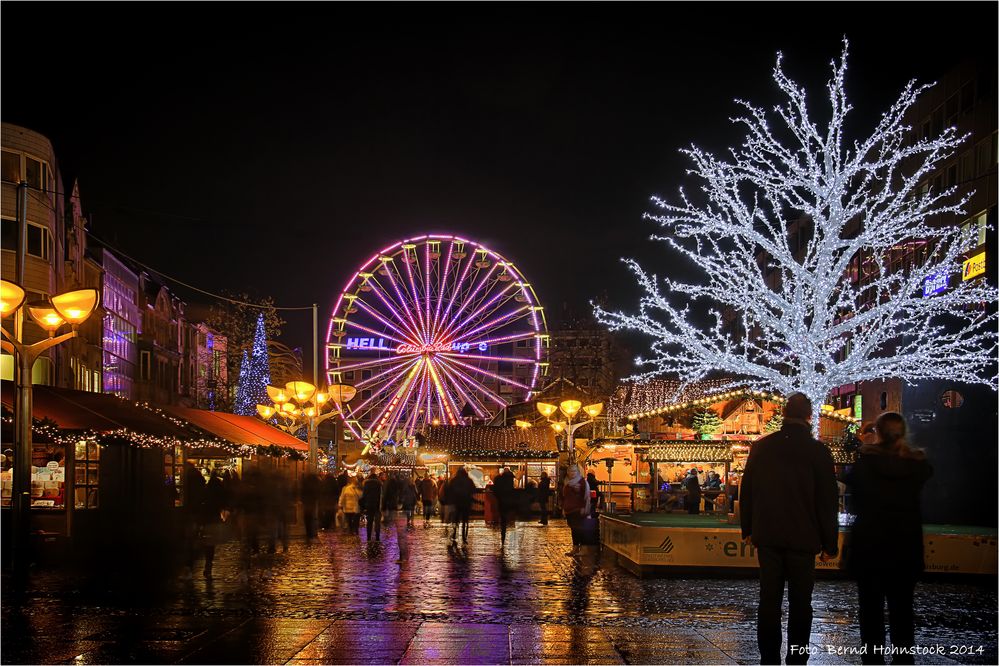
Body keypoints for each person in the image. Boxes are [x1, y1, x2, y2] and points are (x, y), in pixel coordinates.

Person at [741, 393, 839, 665]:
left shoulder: (762, 447)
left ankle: (769, 658)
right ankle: (797, 657)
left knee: (769, 601)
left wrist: (747, 528)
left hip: (769, 535)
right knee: (800, 604)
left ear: (784, 414)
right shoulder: (818, 452)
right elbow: (827, 501)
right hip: (803, 538)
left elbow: (747, 490)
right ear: (809, 416)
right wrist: (830, 543)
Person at [844, 412, 933, 664]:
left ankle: (872, 659)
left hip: (870, 547)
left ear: (878, 433)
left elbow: (853, 491)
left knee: (870, 611)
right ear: (903, 433)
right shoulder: (917, 467)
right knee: (902, 609)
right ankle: (903, 658)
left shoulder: (864, 465)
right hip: (905, 547)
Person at [561, 464, 590, 557]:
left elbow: (586, 496)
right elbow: (565, 497)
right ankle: (575, 548)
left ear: (577, 472)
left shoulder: (582, 482)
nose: (572, 473)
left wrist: (584, 508)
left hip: (578, 510)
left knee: (580, 530)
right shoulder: (567, 483)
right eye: (570, 471)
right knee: (574, 530)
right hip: (569, 510)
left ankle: (584, 549)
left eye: (574, 471)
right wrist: (563, 508)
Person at [448, 467, 475, 545]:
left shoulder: (454, 480)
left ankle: (454, 534)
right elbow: (473, 489)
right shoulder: (469, 480)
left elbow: (450, 490)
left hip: (457, 502)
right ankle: (464, 536)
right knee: (465, 520)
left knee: (456, 519)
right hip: (466, 502)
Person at [493, 467, 516, 545]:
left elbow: (495, 489)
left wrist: (498, 497)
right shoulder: (511, 479)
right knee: (506, 515)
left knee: (502, 515)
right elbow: (512, 489)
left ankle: (503, 532)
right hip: (508, 500)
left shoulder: (498, 478)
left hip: (501, 499)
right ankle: (504, 528)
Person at [360, 472, 383, 543]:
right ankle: (377, 537)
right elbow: (381, 495)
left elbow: (364, 495)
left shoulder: (366, 484)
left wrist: (363, 506)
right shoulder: (379, 484)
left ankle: (369, 537)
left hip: (369, 505)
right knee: (377, 522)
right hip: (377, 505)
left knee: (369, 521)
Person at [300, 471, 320, 543]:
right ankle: (313, 534)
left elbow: (302, 492)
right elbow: (318, 492)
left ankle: (308, 534)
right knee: (313, 518)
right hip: (313, 503)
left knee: (307, 519)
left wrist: (302, 500)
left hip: (306, 503)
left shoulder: (305, 483)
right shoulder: (316, 483)